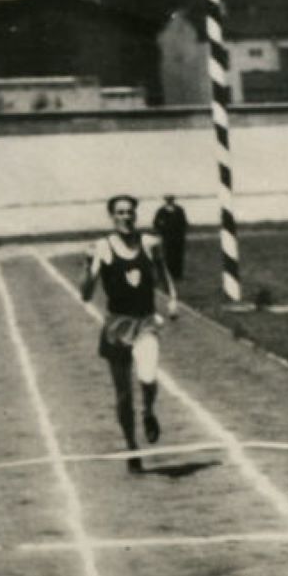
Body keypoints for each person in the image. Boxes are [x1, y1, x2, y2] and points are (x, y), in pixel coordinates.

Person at [80, 194, 179, 473]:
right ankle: (131, 447)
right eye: (120, 212)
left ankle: (148, 412)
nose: (125, 217)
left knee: (148, 378)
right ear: (112, 216)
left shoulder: (149, 244)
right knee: (123, 395)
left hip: (145, 322)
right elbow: (86, 294)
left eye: (130, 212)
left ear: (136, 215)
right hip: (116, 326)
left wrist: (173, 298)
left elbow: (164, 273)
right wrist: (87, 266)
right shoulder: (101, 247)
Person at [152, 194, 188, 281]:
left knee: (178, 256)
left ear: (173, 200)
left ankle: (178, 275)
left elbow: (184, 223)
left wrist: (181, 231)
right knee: (168, 256)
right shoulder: (161, 211)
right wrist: (162, 228)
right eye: (168, 199)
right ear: (165, 200)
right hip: (167, 237)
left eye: (171, 199)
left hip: (178, 237)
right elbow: (156, 223)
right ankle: (169, 275)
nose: (169, 201)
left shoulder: (179, 210)